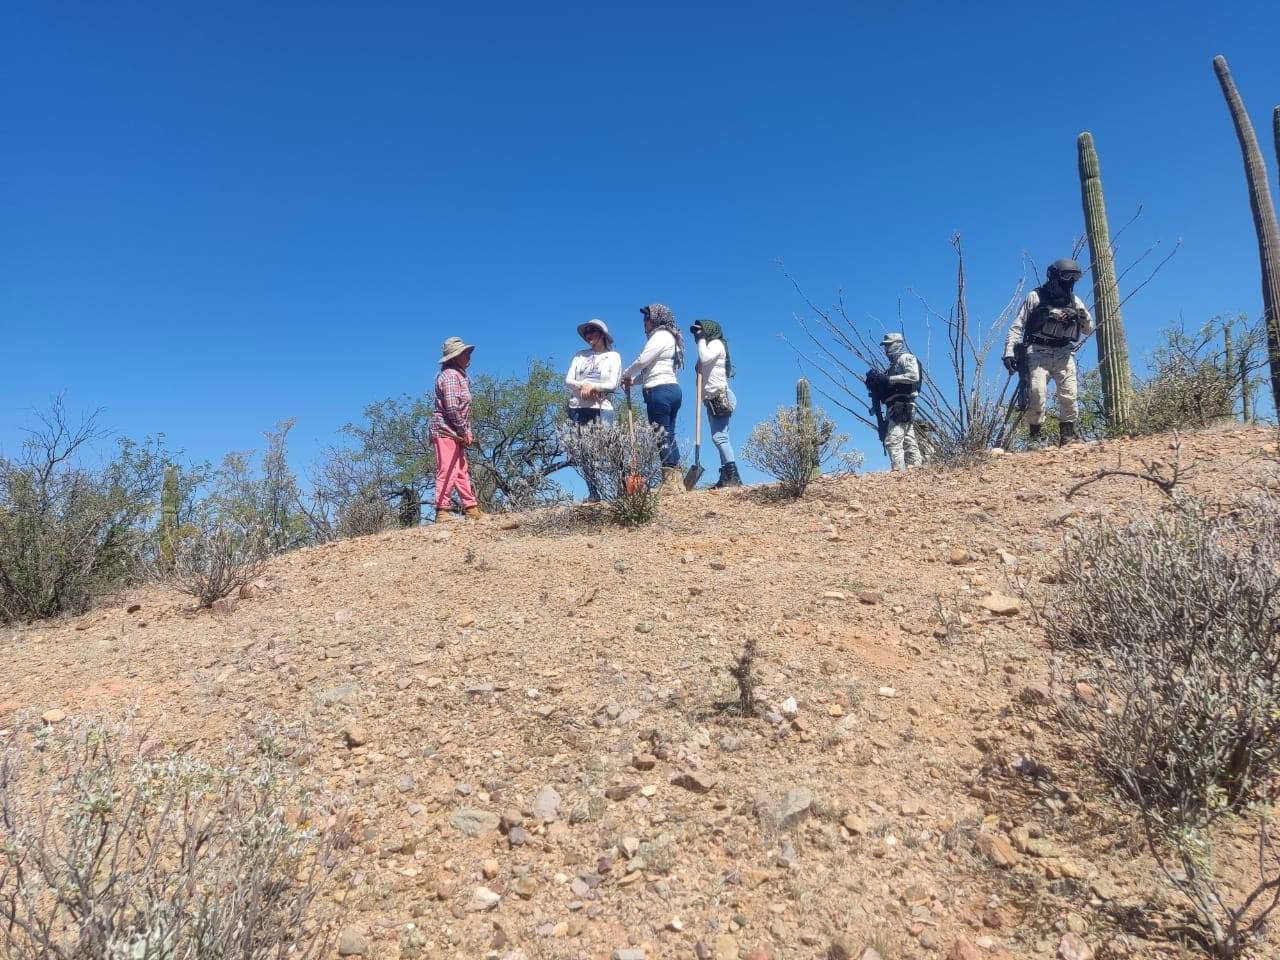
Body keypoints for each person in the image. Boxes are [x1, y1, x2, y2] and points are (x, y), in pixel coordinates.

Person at [1002, 258, 1095, 447]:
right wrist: (1009, 352)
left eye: (1074, 278)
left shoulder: (1074, 301)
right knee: (1036, 392)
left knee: (1069, 393)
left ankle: (1068, 434)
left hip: (1064, 351)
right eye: (1066, 276)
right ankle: (1035, 437)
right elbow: (1017, 327)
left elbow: (1088, 328)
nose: (1069, 282)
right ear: (1054, 277)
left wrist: (1078, 316)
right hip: (1037, 350)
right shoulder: (1035, 297)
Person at [621, 303, 684, 485]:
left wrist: (625, 375)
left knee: (661, 435)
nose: (644, 321)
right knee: (668, 434)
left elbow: (643, 360)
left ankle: (670, 482)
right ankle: (677, 481)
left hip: (659, 391)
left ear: (657, 317)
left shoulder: (660, 336)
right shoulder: (672, 339)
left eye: (647, 317)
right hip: (672, 389)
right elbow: (651, 370)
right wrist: (633, 381)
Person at [565, 319, 622, 502]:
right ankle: (593, 492)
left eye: (592, 331)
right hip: (578, 406)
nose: (589, 335)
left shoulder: (613, 356)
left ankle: (622, 488)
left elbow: (612, 383)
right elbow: (568, 380)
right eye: (586, 332)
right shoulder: (580, 355)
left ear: (602, 333)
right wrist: (584, 385)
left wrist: (593, 387)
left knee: (611, 446)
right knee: (583, 450)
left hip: (601, 407)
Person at [431, 336, 482, 520]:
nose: (468, 356)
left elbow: (460, 409)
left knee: (460, 468)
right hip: (446, 430)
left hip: (454, 430)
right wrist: (463, 430)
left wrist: (465, 431)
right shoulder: (451, 376)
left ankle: (471, 508)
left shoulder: (458, 375)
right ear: (454, 357)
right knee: (447, 468)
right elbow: (452, 407)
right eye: (464, 353)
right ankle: (442, 509)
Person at [690, 319, 741, 487]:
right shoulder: (707, 348)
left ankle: (733, 476)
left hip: (720, 397)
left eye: (700, 331)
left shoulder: (716, 344)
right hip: (711, 399)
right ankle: (726, 476)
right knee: (718, 437)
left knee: (720, 437)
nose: (697, 335)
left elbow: (705, 358)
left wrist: (702, 339)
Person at [867, 332, 922, 471]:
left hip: (902, 404)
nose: (886, 349)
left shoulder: (906, 358)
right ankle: (916, 471)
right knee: (909, 440)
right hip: (896, 406)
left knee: (893, 441)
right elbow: (887, 391)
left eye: (888, 345)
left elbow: (913, 376)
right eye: (885, 346)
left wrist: (888, 379)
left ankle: (898, 473)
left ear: (897, 344)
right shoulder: (891, 368)